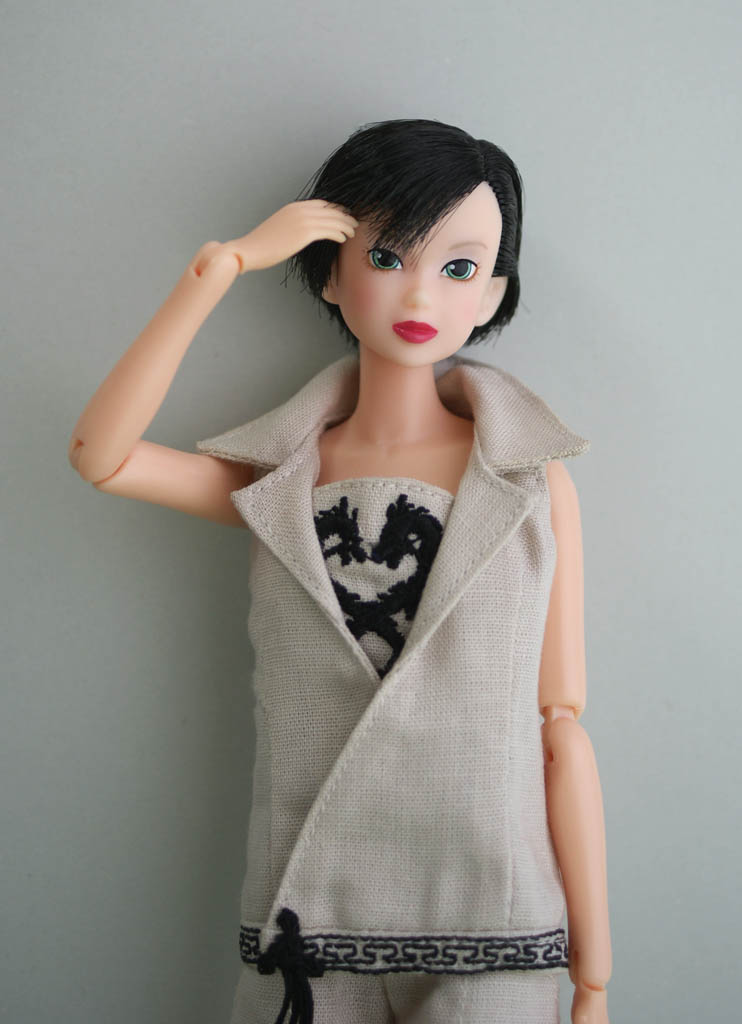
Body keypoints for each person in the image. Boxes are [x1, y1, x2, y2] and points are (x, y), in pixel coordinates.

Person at [69, 118, 611, 1024]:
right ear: (329, 272)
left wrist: (592, 975)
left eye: (460, 268)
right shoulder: (278, 483)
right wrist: (219, 269)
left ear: (491, 294)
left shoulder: (525, 480)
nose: (420, 292)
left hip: (488, 913)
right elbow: (103, 457)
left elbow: (560, 727)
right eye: (386, 256)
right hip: (304, 920)